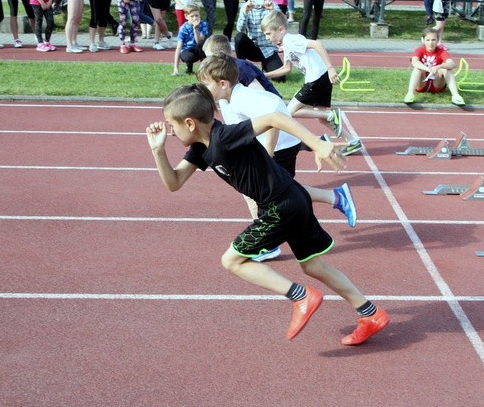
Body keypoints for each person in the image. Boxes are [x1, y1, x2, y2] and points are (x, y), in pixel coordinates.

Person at [145, 84, 389, 345]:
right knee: (312, 265)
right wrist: (158, 150)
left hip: (280, 206)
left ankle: (300, 296)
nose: (170, 131)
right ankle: (370, 314)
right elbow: (174, 182)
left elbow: (275, 117)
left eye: (172, 124)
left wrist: (316, 144)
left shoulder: (225, 135)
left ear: (190, 123)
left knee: (232, 261)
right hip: (293, 199)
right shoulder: (200, 150)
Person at [198, 53, 357, 228]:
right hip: (276, 144)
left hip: (282, 146)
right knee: (272, 192)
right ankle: (334, 198)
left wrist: (268, 151)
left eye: (206, 84)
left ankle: (330, 202)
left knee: (273, 194)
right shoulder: (226, 98)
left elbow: (272, 108)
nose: (202, 88)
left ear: (223, 83)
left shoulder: (241, 97)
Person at [261, 11, 363, 156]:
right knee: (321, 118)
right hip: (320, 78)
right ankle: (352, 141)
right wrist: (263, 75)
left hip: (317, 78)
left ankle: (331, 116)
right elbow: (286, 69)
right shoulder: (286, 44)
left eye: (268, 34)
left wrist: (330, 68)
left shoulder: (291, 40)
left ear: (281, 29)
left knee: (289, 112)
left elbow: (317, 44)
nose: (267, 38)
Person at [202, 34, 281, 97]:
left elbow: (259, 92)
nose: (209, 61)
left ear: (221, 54)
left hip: (271, 104)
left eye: (210, 57)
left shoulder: (239, 67)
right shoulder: (225, 68)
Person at [403, 27, 465, 106]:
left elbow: (452, 64)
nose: (431, 43)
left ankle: (456, 96)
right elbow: (415, 62)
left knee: (446, 69)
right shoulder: (419, 50)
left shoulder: (441, 51)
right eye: (428, 40)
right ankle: (410, 94)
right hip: (422, 83)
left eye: (433, 40)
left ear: (438, 41)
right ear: (423, 40)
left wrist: (438, 67)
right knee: (417, 69)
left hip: (437, 83)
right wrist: (428, 69)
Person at [235, 0, 285, 78]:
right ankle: (240, 67)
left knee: (280, 78)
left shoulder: (272, 5)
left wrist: (272, 11)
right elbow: (240, 29)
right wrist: (245, 13)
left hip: (268, 48)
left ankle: (266, 66)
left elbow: (282, 25)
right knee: (239, 37)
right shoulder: (245, 7)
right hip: (252, 47)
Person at [172, 5, 210, 76]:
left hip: (199, 49)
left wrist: (195, 29)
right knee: (189, 57)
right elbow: (179, 47)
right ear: (186, 16)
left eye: (197, 15)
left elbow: (199, 41)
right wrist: (175, 68)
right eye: (192, 16)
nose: (195, 18)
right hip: (187, 50)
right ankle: (189, 67)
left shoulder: (204, 24)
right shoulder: (183, 28)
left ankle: (204, 69)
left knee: (202, 43)